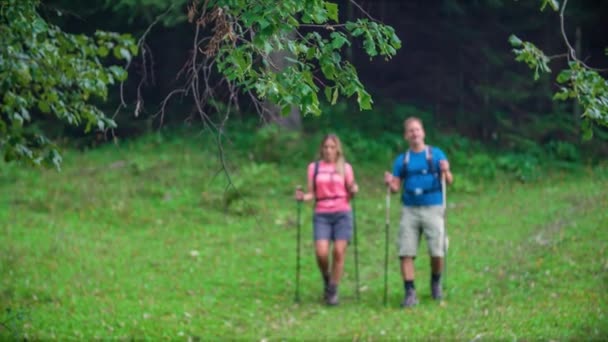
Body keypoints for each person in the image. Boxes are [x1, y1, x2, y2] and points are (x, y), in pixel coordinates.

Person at [383, 117, 453, 307]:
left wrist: (446, 171)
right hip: (409, 209)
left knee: (437, 251)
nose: (415, 133)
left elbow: (449, 181)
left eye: (417, 130)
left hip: (433, 206)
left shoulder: (436, 154)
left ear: (423, 132)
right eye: (411, 131)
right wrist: (390, 183)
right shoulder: (402, 160)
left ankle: (436, 282)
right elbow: (397, 187)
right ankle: (410, 291)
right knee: (406, 251)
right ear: (406, 136)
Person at [295, 134, 359, 305]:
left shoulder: (345, 168)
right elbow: (312, 193)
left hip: (342, 212)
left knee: (338, 251)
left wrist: (354, 189)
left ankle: (332, 290)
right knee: (321, 252)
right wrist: (303, 197)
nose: (329, 150)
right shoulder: (314, 168)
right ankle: (327, 278)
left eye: (332, 147)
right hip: (322, 213)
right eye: (326, 147)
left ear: (337, 149)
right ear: (321, 149)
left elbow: (351, 191)